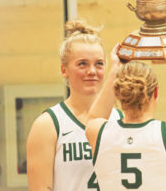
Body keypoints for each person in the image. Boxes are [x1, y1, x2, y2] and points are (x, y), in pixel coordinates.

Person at [85, 43, 166, 190]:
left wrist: (115, 69)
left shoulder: (98, 132)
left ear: (117, 92)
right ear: (156, 92)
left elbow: (94, 116)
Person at [26, 19, 123, 191]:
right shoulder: (48, 124)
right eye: (82, 64)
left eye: (99, 64)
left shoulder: (122, 119)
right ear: (64, 70)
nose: (92, 71)